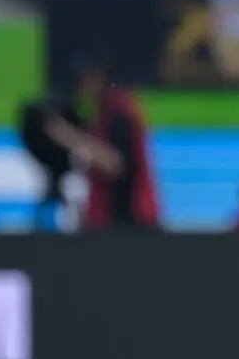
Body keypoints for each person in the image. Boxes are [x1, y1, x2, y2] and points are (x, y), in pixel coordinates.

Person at [43, 56, 160, 230]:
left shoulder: (120, 112)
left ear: (100, 77)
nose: (82, 84)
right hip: (109, 219)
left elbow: (116, 165)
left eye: (86, 78)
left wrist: (68, 137)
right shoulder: (102, 112)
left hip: (129, 222)